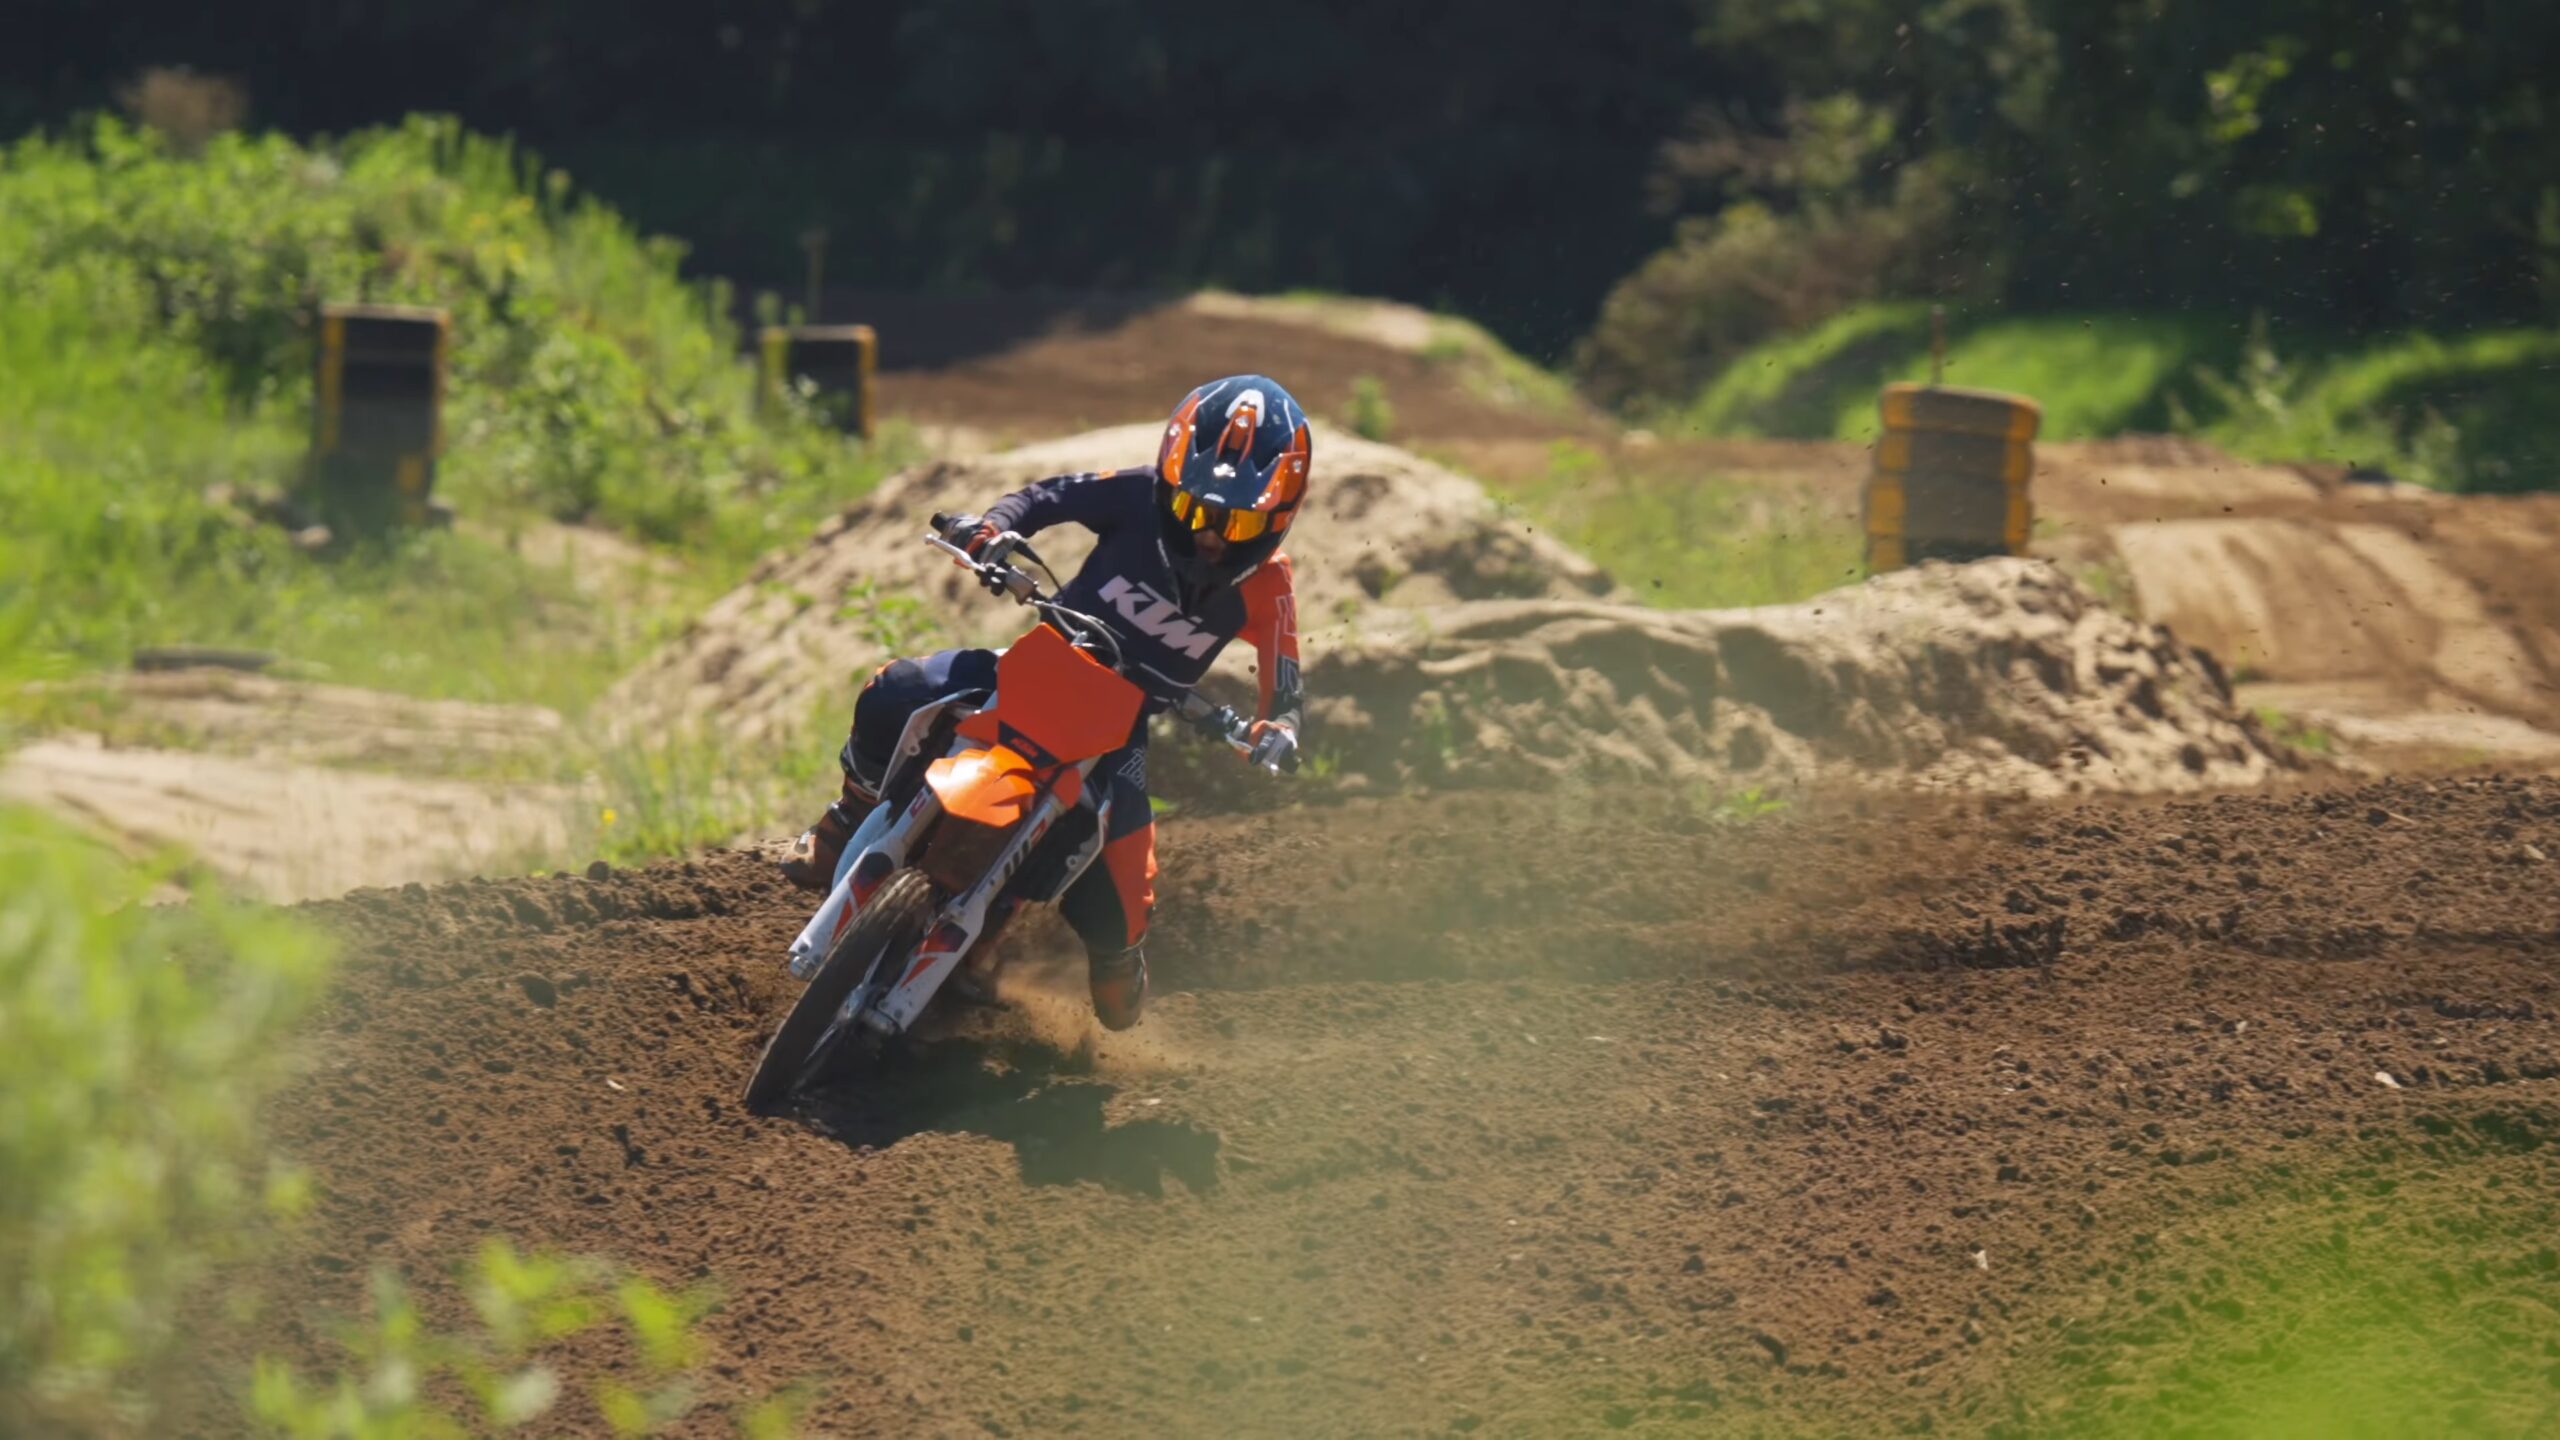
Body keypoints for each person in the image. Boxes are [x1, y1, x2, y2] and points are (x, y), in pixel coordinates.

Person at [780, 375, 1312, 1030]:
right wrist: (992, 530)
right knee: (899, 691)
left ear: (1280, 515)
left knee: (1126, 892)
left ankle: (1096, 957)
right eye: (1201, 511)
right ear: (1174, 486)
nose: (1215, 537)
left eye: (1244, 521)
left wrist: (1279, 727)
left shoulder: (1270, 583)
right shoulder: (1137, 495)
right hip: (1039, 666)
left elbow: (1285, 683)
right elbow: (1045, 497)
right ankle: (842, 828)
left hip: (1117, 732)